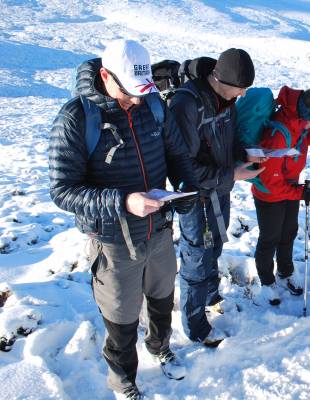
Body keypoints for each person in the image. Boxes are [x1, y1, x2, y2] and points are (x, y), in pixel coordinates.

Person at [49, 39, 198, 399]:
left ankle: (160, 347)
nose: (137, 99)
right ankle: (123, 379)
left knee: (162, 299)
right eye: (130, 91)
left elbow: (177, 155)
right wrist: (123, 201)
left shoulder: (153, 106)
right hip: (114, 242)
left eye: (143, 90)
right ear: (105, 75)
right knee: (121, 317)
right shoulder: (76, 118)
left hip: (159, 229)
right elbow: (62, 190)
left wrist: (184, 190)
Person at [169, 48, 263, 346]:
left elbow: (228, 138)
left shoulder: (227, 100)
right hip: (195, 196)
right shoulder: (187, 104)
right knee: (197, 254)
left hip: (219, 190)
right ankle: (196, 327)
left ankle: (209, 296)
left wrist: (243, 154)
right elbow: (182, 166)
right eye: (241, 88)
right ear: (220, 79)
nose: (243, 95)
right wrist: (232, 175)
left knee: (216, 244)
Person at [252, 86, 310, 305]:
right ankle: (267, 282)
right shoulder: (278, 134)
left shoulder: (298, 122)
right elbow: (270, 180)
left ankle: (285, 272)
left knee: (288, 233)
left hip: (289, 188)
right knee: (270, 239)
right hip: (269, 194)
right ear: (308, 116)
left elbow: (302, 139)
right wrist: (299, 192)